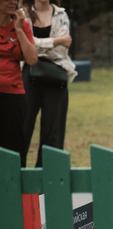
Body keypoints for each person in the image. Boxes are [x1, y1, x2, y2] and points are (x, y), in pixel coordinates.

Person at [21, 0, 75, 168]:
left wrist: (36, 44)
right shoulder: (22, 14)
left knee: (53, 132)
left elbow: (61, 50)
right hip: (28, 76)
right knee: (22, 127)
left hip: (56, 77)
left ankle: (47, 181)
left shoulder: (61, 14)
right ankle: (16, 176)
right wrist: (56, 40)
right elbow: (25, 47)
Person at [0, 0, 36, 166]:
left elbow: (31, 59)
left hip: (14, 95)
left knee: (14, 150)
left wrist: (20, 30)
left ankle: (16, 190)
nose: (13, 1)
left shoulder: (22, 24)